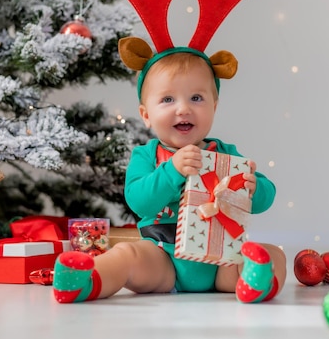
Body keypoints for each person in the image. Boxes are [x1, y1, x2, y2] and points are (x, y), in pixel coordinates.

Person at [52, 45, 287, 304]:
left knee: (273, 253)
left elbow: (266, 196)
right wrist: (172, 170)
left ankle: (256, 282)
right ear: (146, 115)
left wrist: (254, 189)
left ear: (214, 106)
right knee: (126, 254)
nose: (183, 109)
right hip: (163, 257)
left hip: (221, 260)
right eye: (168, 99)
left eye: (196, 98)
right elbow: (139, 201)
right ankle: (86, 281)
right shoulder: (147, 155)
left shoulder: (226, 154)